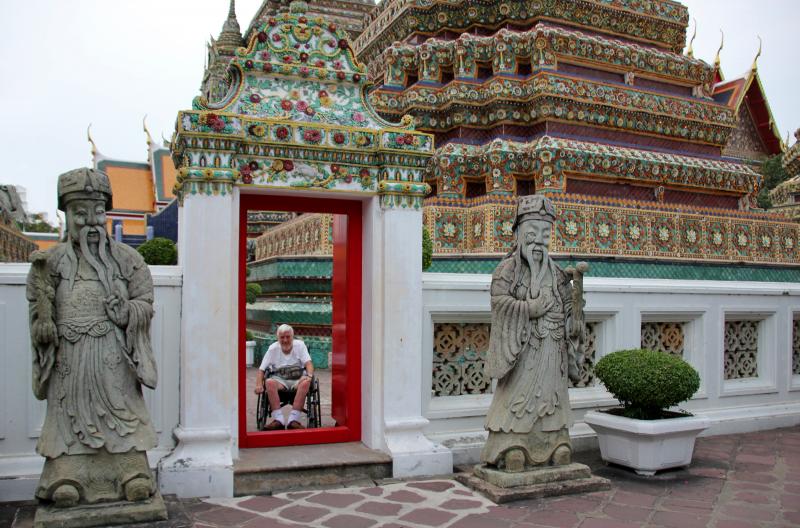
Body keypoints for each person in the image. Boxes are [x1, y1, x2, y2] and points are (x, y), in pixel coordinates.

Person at [27, 168, 159, 507]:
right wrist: (43, 324)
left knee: (122, 412)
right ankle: (66, 475)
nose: (90, 222)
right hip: (70, 356)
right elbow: (38, 301)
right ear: (67, 215)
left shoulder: (128, 260)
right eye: (80, 213)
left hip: (113, 355)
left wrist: (127, 312)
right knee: (67, 416)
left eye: (98, 212)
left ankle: (131, 472)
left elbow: (145, 301)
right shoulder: (50, 263)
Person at [481, 195, 587, 472]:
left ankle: (556, 443)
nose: (538, 241)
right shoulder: (507, 271)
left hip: (553, 349)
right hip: (524, 347)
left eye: (544, 234)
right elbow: (499, 303)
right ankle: (510, 446)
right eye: (531, 234)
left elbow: (568, 307)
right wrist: (529, 308)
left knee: (552, 398)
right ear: (517, 235)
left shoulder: (558, 274)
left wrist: (573, 320)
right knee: (519, 396)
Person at [254, 324, 314, 430]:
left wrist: (309, 376)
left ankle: (293, 420)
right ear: (278, 338)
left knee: (306, 382)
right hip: (279, 380)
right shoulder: (273, 349)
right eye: (282, 337)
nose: (285, 340)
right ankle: (279, 420)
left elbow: (308, 363)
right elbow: (261, 369)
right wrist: (259, 384)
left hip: (297, 378)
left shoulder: (300, 345)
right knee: (269, 382)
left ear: (292, 336)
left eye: (288, 337)